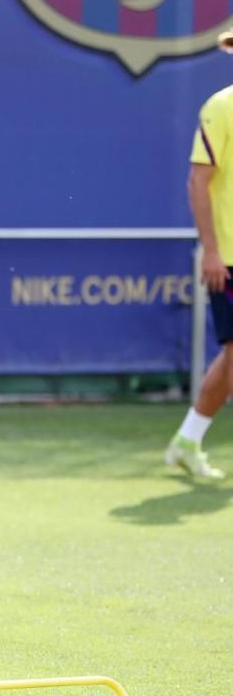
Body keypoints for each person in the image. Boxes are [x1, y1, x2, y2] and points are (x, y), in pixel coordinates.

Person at [166, 45, 233, 481]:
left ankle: (187, 441)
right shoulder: (222, 106)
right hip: (228, 258)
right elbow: (198, 179)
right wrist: (209, 250)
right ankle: (187, 440)